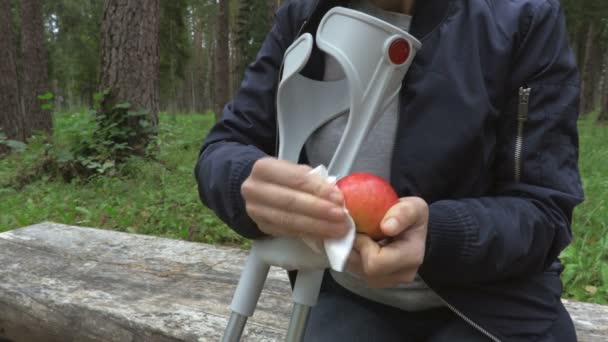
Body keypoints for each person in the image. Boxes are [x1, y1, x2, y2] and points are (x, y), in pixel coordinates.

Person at [195, 0, 584, 340]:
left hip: (494, 304)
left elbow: (544, 207)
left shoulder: (524, 17)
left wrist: (437, 236)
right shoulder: (305, 15)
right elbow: (225, 145)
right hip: (349, 292)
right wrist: (242, 181)